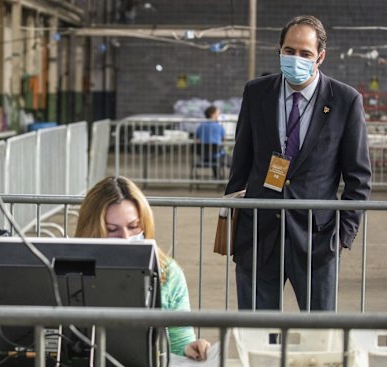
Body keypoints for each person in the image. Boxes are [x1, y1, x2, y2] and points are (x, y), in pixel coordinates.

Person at [225, 15, 372, 311]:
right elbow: (241, 163)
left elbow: (358, 178)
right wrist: (235, 225)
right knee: (254, 332)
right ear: (279, 50)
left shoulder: (345, 100)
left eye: (305, 53)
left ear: (320, 57)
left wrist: (342, 237)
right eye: (289, 51)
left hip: (317, 241)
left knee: (318, 337)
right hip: (258, 237)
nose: (296, 58)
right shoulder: (256, 93)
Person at [75, 176, 211, 360]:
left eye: (133, 227)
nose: (125, 237)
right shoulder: (64, 268)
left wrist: (191, 348)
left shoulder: (168, 273)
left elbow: (180, 340)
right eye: (112, 229)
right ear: (92, 230)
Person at [195, 106, 230, 178]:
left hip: (204, 156)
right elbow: (224, 140)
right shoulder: (219, 127)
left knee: (215, 153)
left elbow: (196, 138)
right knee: (233, 159)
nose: (219, 115)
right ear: (212, 114)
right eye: (218, 113)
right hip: (217, 156)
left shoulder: (201, 126)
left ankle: (217, 177)